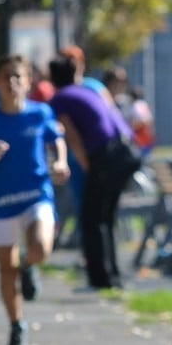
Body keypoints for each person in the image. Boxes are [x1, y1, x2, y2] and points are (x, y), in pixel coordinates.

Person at [0, 55, 69, 345]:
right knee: (5, 271)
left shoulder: (39, 113)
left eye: (17, 77)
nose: (12, 83)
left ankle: (29, 267)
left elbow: (56, 138)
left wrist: (59, 161)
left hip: (36, 194)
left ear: (28, 82)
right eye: (6, 77)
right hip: (2, 203)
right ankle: (17, 325)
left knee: (40, 248)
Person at [49, 53, 137, 290]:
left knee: (91, 219)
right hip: (124, 152)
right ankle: (113, 274)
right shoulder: (87, 91)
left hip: (103, 157)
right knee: (105, 218)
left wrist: (88, 166)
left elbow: (73, 138)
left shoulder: (59, 99)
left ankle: (100, 277)